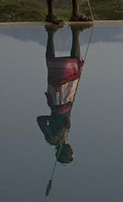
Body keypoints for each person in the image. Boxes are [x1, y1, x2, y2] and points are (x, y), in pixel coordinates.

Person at [36, 24, 89, 164]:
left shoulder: (53, 139)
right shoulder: (63, 138)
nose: (71, 150)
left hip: (57, 101)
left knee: (53, 68)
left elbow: (40, 120)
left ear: (62, 154)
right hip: (67, 101)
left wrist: (54, 119)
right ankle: (75, 33)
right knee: (74, 68)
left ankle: (51, 34)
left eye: (69, 153)